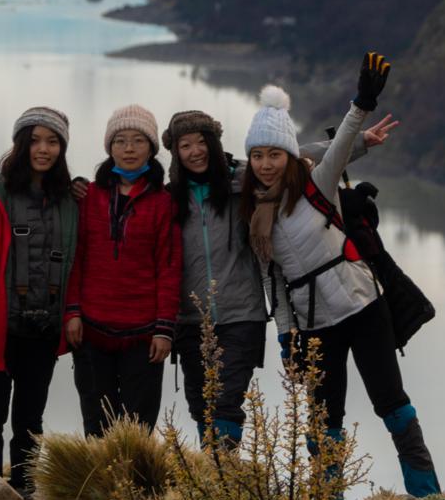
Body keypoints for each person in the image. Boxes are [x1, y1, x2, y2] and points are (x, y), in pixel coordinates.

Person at [242, 54, 441, 497]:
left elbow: (342, 140)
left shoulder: (318, 186)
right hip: (314, 326)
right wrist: (286, 337)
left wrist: (362, 102)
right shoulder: (253, 214)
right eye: (257, 155)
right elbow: (273, 283)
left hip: (363, 307)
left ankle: (426, 495)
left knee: (392, 404)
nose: (265, 163)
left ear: (290, 155)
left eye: (274, 153)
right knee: (323, 419)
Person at [162, 108, 400, 449]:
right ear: (175, 152)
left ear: (215, 144)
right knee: (202, 409)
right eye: (185, 145)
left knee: (227, 405)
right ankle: (214, 489)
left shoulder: (241, 184)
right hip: (189, 319)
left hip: (241, 315)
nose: (195, 151)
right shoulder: (170, 198)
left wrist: (359, 142)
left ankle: (224, 476)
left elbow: (294, 155)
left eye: (202, 142)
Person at [0, 106, 80, 493]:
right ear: (20, 145)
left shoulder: (70, 200)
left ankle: (22, 489)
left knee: (29, 417)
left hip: (43, 326)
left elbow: (77, 263)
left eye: (53, 141)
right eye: (35, 140)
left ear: (62, 148)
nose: (44, 149)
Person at [64, 105, 181, 437]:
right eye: (120, 140)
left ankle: (135, 489)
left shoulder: (163, 202)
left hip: (144, 335)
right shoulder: (89, 196)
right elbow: (76, 259)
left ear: (151, 148)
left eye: (138, 140)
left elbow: (169, 268)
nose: (129, 149)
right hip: (90, 330)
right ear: (109, 147)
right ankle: (97, 487)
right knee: (96, 422)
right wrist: (71, 311)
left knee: (137, 427)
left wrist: (164, 329)